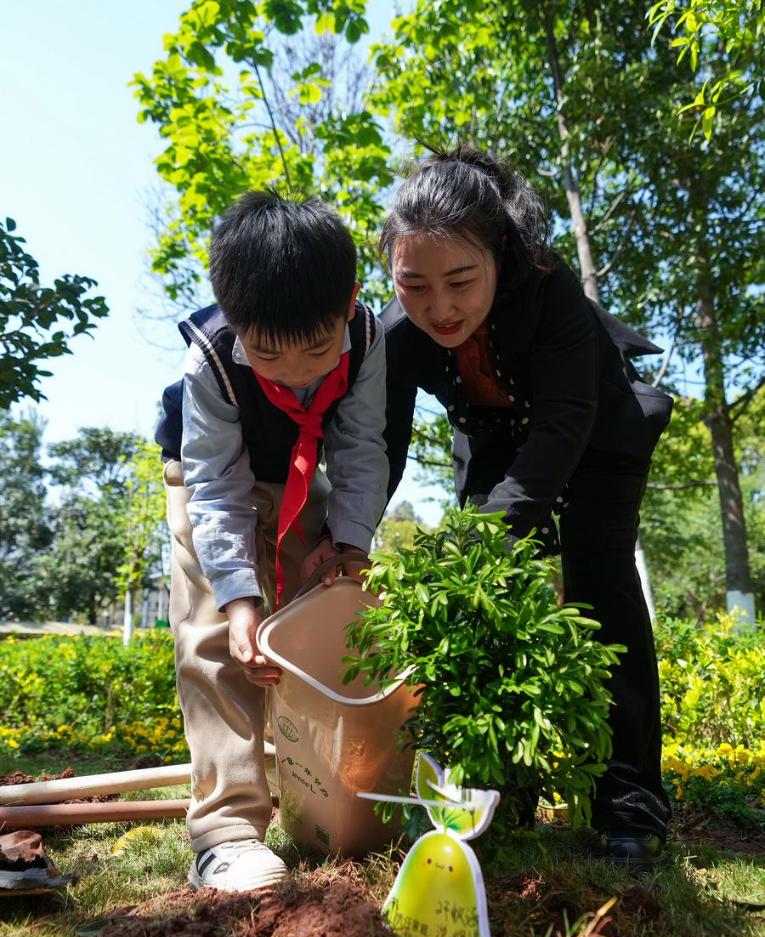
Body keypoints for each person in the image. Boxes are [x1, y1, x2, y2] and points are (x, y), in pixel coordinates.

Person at [380, 148, 673, 870]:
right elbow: (377, 447)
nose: (438, 308)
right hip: (492, 440)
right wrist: (349, 538)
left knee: (600, 588)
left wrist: (482, 537)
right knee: (485, 602)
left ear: (500, 254)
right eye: (413, 285)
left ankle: (626, 801)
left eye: (459, 281)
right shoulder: (391, 334)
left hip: (597, 430)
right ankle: (496, 790)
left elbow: (564, 424)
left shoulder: (553, 294)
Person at [155, 191, 389, 892]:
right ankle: (224, 833)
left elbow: (359, 449)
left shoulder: (370, 339)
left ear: (347, 304)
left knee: (313, 624)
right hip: (209, 483)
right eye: (266, 353)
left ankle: (321, 800)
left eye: (315, 350)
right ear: (232, 317)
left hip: (298, 475)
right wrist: (237, 599)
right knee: (215, 636)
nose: (292, 371)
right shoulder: (213, 362)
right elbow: (216, 488)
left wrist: (349, 546)